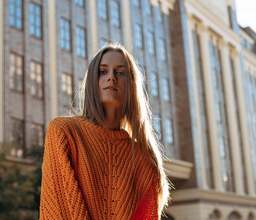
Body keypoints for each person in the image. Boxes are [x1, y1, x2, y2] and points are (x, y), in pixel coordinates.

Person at [39, 43, 169, 219]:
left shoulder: (145, 160)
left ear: (132, 85)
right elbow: (60, 209)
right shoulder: (64, 132)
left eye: (120, 72)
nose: (111, 77)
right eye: (103, 71)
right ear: (93, 80)